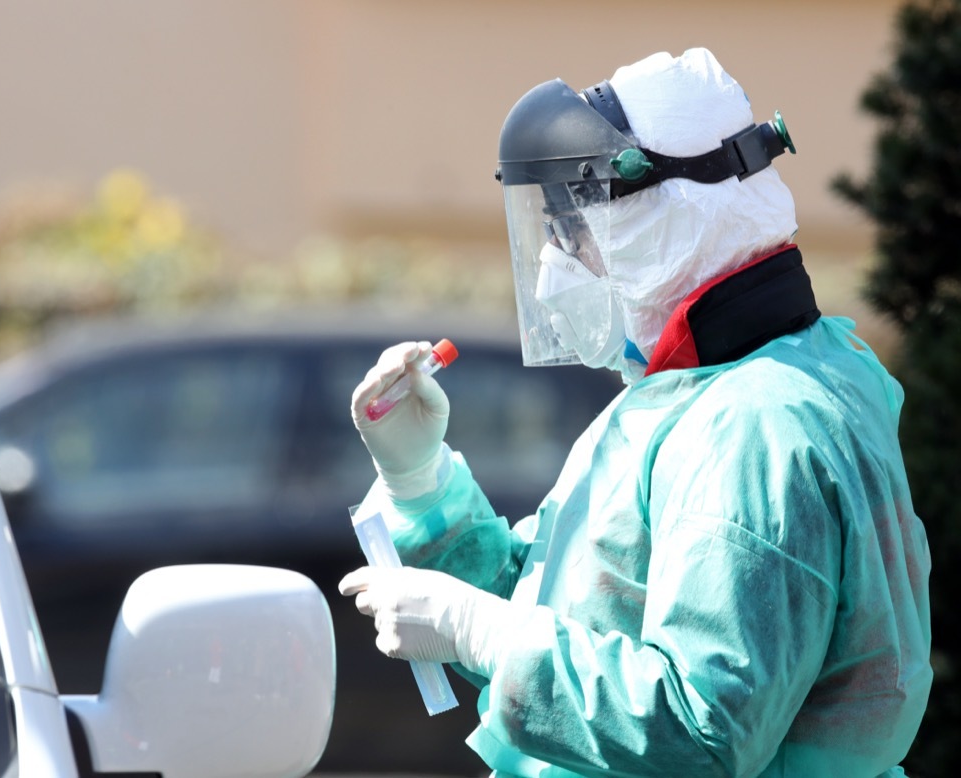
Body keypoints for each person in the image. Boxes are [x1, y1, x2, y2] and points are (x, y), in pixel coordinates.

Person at [338, 48, 932, 777]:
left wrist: (479, 632)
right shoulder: (715, 389)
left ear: (658, 219)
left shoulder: (756, 427)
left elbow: (703, 731)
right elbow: (569, 616)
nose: (559, 261)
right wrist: (421, 482)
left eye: (574, 231)